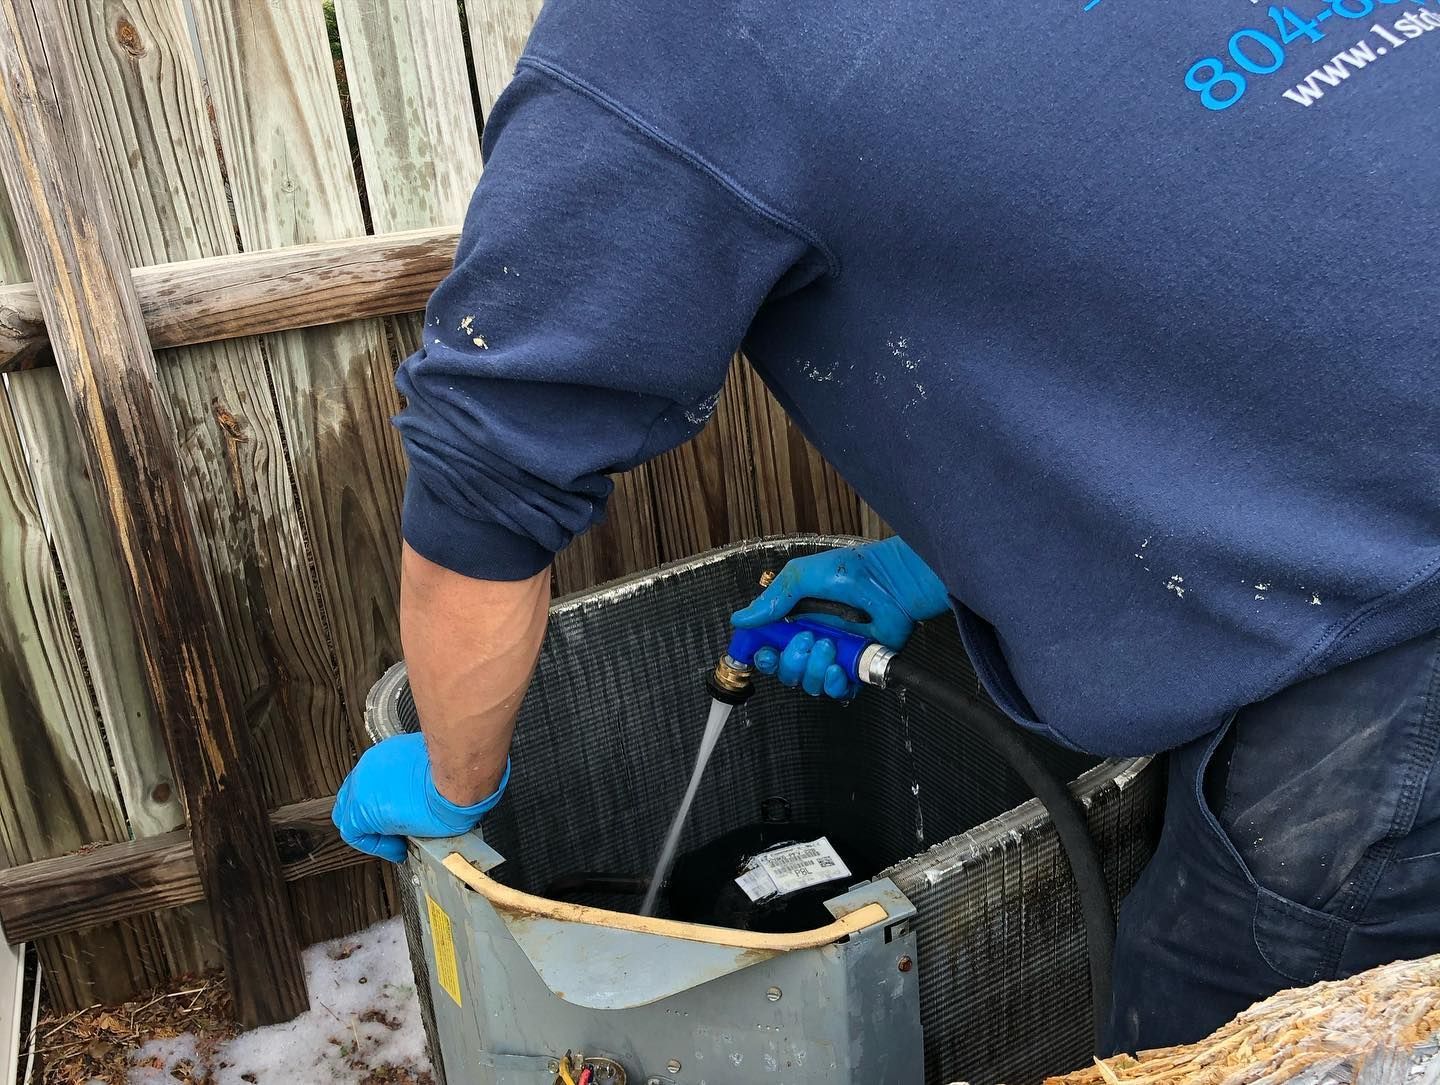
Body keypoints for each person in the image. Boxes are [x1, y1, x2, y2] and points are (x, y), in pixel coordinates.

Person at [331, 0, 1440, 1053]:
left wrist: (454, 776)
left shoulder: (672, 37)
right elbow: (1237, 285)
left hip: (1403, 633)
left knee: (1207, 1032)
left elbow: (485, 480)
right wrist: (926, 568)